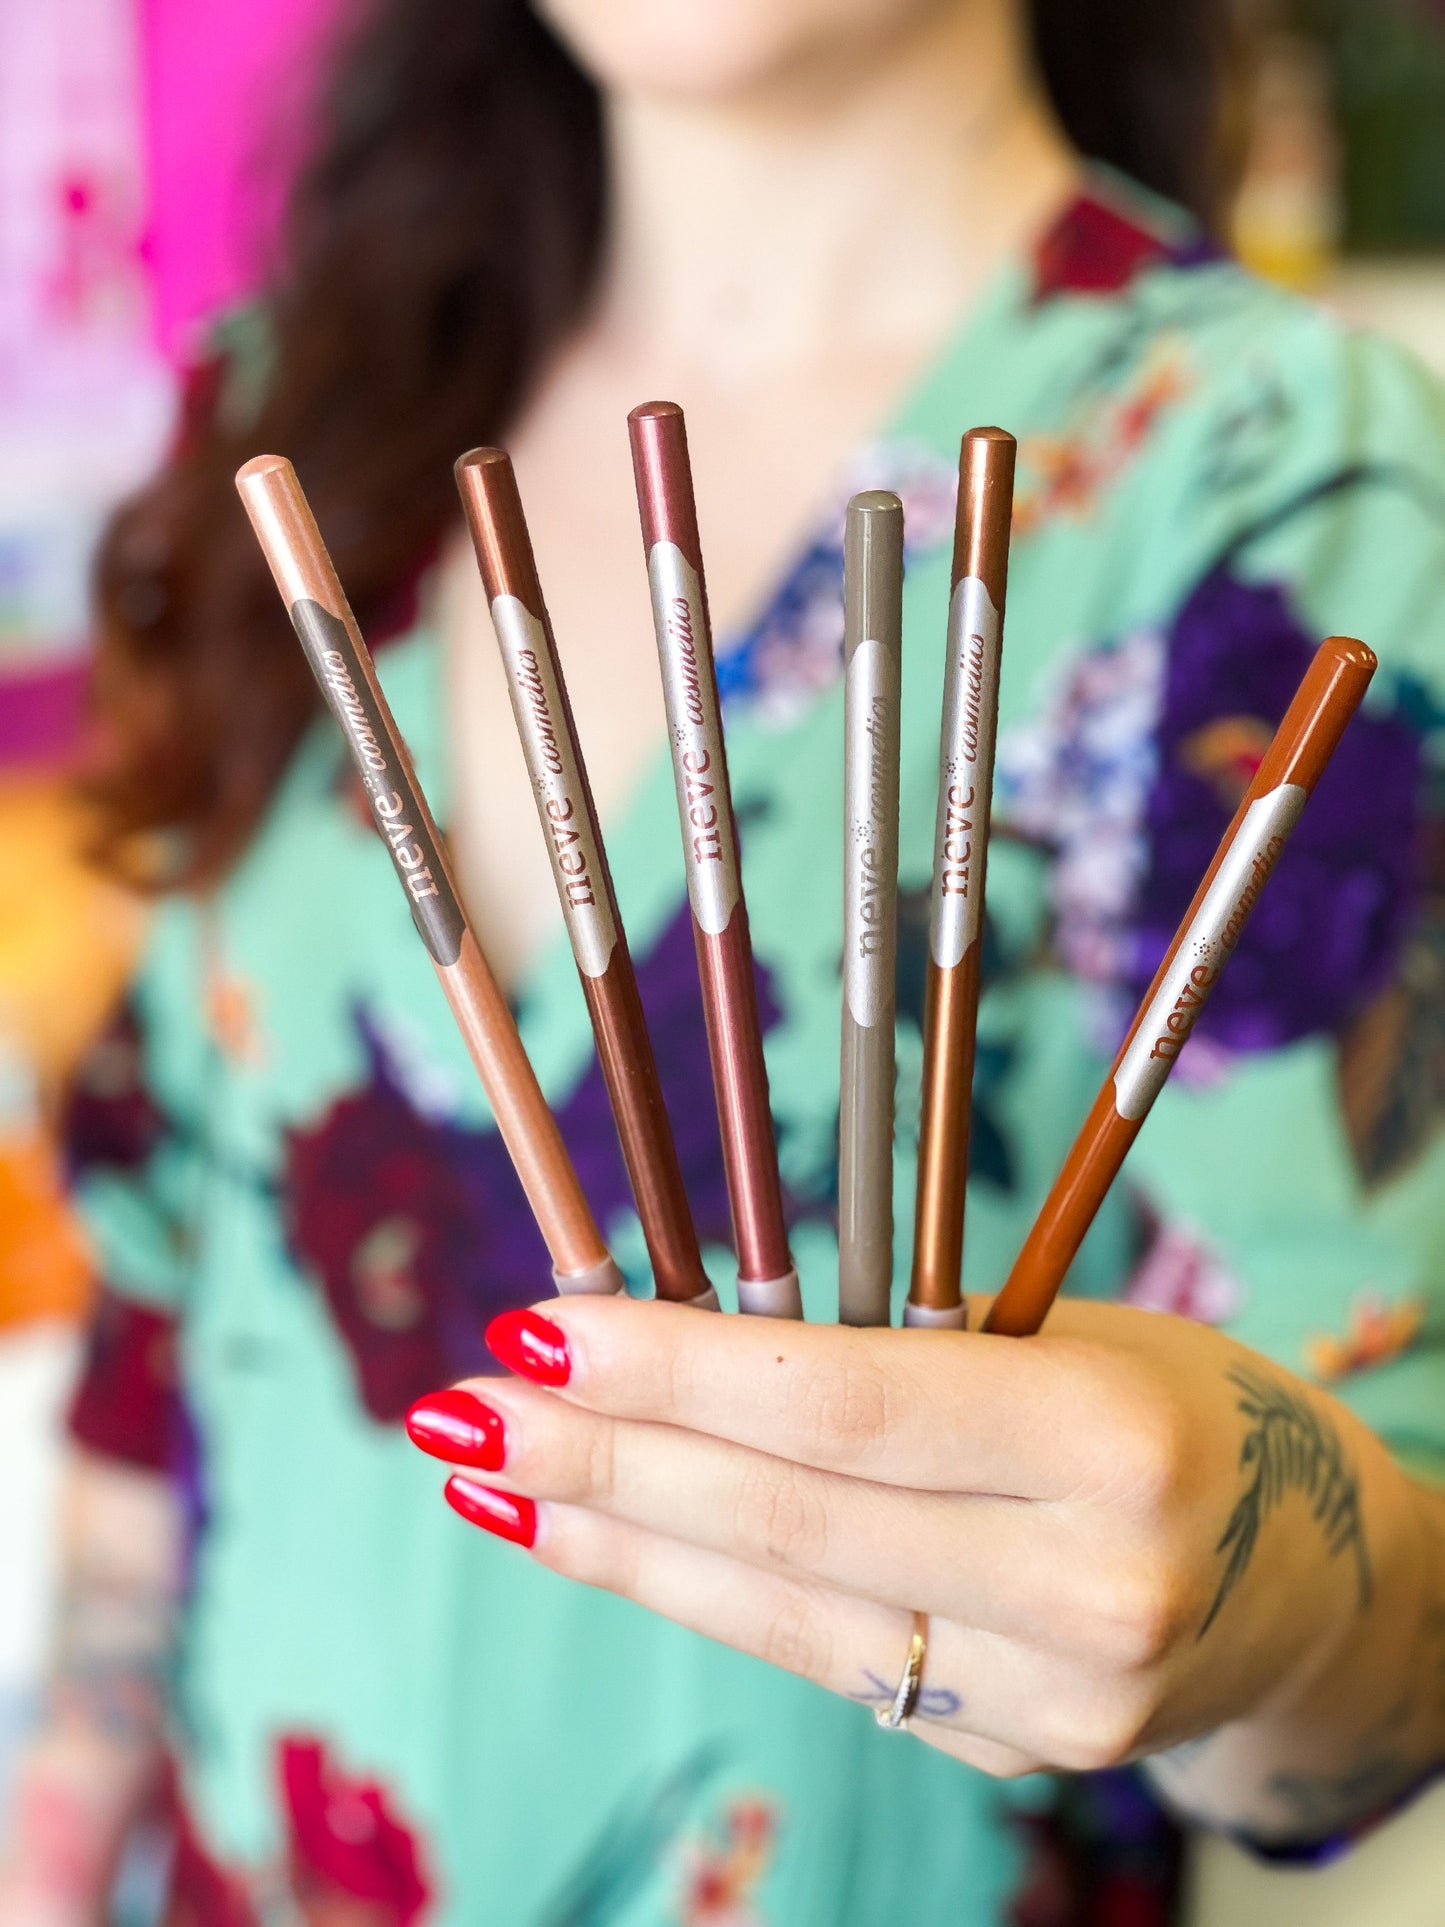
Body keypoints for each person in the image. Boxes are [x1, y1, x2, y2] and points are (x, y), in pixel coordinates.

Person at [5, 0, 1445, 1920]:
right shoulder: (298, 407)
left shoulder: (1265, 469)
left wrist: (1257, 1600)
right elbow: (168, 1293)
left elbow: (1384, 1612)